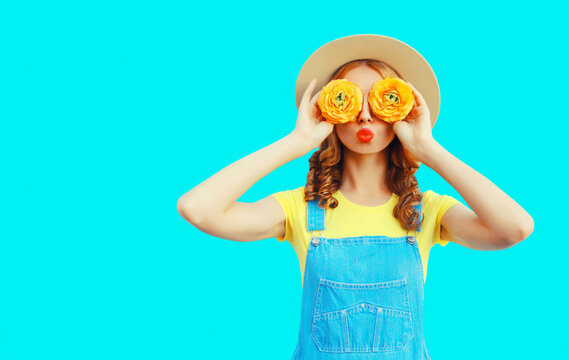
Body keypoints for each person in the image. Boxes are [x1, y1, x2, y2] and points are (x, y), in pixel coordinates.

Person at [177, 34, 534, 360]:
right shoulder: (299, 209)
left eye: (382, 100)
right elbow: (197, 208)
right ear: (330, 110)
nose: (364, 114)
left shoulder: (424, 212)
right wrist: (296, 142)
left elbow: (515, 228)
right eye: (349, 99)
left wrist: (429, 148)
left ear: (404, 110)